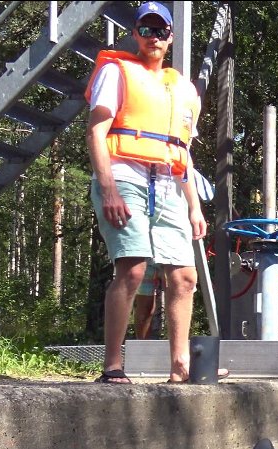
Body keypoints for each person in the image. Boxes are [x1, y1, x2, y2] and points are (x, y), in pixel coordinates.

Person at [86, 1, 221, 383]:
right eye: (146, 29)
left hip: (169, 184)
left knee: (184, 277)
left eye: (160, 30)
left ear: (170, 36)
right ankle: (113, 365)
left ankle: (181, 366)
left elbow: (183, 153)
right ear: (135, 34)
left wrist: (195, 206)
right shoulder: (116, 73)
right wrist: (108, 188)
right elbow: (96, 132)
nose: (153, 37)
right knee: (133, 267)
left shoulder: (183, 89)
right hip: (123, 174)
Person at [133, 261, 164, 339]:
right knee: (146, 309)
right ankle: (142, 346)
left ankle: (179, 347)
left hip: (171, 256)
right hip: (145, 257)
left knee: (179, 293)